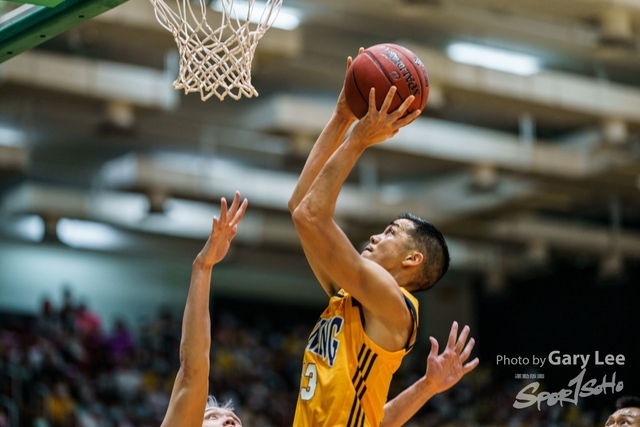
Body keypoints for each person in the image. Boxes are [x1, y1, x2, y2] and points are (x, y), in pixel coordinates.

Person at [161, 192, 478, 427]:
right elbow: (194, 369)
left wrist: (427, 387)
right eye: (214, 416)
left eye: (229, 416)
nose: (230, 420)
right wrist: (201, 268)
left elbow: (372, 423)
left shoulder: (387, 307)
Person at [287, 50, 475, 427]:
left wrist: (358, 138)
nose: (375, 236)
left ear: (412, 260)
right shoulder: (349, 297)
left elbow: (310, 216)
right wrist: (341, 116)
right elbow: (300, 204)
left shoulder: (394, 303)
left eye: (390, 232)